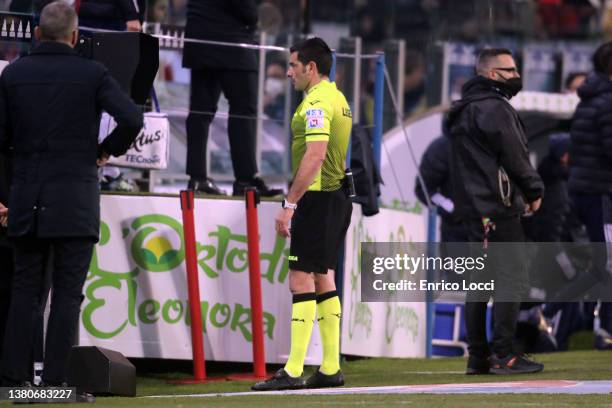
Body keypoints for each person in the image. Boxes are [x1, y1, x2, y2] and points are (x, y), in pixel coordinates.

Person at [0, 1, 142, 392]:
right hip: (75, 200)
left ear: (37, 34)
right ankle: (55, 381)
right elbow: (132, 118)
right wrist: (104, 150)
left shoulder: (14, 74)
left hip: (27, 197)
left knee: (25, 290)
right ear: (76, 36)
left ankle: (15, 379)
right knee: (66, 295)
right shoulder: (92, 73)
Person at [252, 37, 353, 391]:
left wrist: (290, 204)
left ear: (311, 67)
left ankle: (293, 371)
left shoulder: (316, 102)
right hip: (337, 196)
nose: (289, 71)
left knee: (300, 278)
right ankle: (329, 367)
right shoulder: (337, 97)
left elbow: (315, 155)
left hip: (318, 197)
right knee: (324, 276)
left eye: (294, 65)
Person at [448, 48, 545, 375]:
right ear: (492, 74)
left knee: (480, 282)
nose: (516, 74)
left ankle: (478, 357)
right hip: (496, 206)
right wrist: (534, 190)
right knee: (510, 279)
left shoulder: (464, 108)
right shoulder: (494, 109)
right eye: (510, 69)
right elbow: (515, 156)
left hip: (476, 208)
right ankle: (504, 355)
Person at [183, 0, 282, 197]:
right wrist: (253, 19)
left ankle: (197, 177)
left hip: (199, 39)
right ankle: (245, 180)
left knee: (200, 112)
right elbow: (245, 9)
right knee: (243, 110)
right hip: (232, 42)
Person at [568, 41, 612, 350]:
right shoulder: (608, 101)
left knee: (604, 264)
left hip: (590, 190)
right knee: (605, 265)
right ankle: (541, 310)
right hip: (601, 193)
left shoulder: (590, 98)